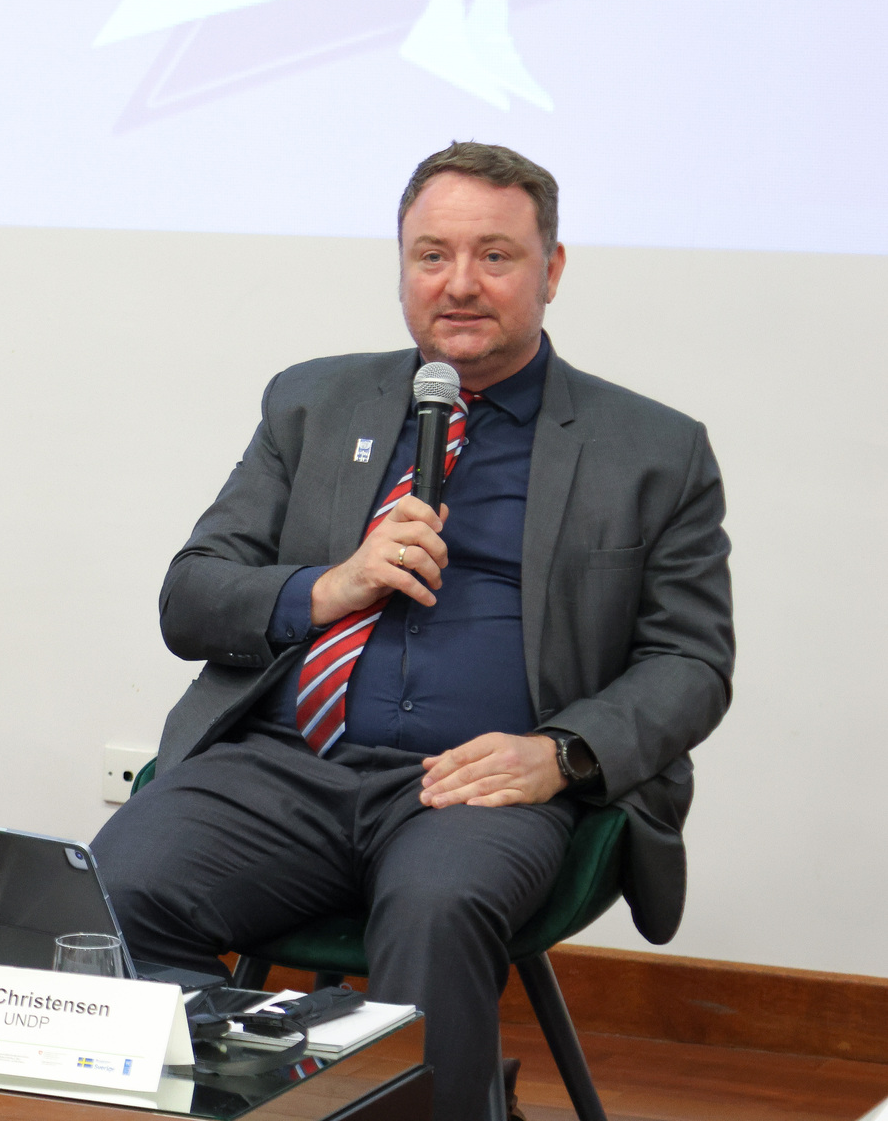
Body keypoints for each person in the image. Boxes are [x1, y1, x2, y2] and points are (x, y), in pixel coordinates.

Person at [91, 142, 733, 1121]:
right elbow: (192, 596)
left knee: (436, 911)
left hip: (478, 784)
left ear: (552, 269)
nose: (459, 283)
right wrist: (331, 583)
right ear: (402, 266)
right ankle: (283, 1089)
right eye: (432, 254)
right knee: (109, 891)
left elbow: (690, 662)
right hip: (286, 766)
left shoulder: (652, 448)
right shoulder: (313, 402)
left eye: (495, 255)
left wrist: (558, 754)